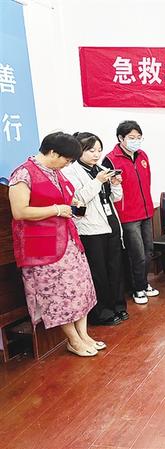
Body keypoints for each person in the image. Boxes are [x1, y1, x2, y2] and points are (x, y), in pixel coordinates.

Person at [9, 132, 103, 357]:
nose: (68, 164)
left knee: (80, 289)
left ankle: (83, 335)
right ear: (52, 153)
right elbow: (19, 211)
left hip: (69, 242)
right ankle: (73, 340)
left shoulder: (56, 172)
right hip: (43, 248)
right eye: (67, 160)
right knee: (58, 295)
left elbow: (68, 199)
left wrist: (72, 205)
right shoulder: (23, 174)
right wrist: (57, 209)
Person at [62, 132, 127, 326]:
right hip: (90, 229)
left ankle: (118, 306)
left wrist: (116, 185)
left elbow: (114, 198)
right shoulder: (70, 172)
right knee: (99, 272)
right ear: (79, 151)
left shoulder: (102, 169)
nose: (96, 154)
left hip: (111, 223)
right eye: (91, 150)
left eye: (99, 150)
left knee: (115, 268)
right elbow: (78, 200)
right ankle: (102, 313)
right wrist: (97, 181)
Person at [103, 120, 159, 304]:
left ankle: (144, 283)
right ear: (121, 138)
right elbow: (109, 190)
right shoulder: (110, 160)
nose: (136, 141)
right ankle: (138, 289)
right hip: (127, 215)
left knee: (149, 251)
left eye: (139, 137)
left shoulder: (142, 155)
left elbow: (147, 182)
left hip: (146, 211)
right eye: (131, 137)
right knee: (137, 254)